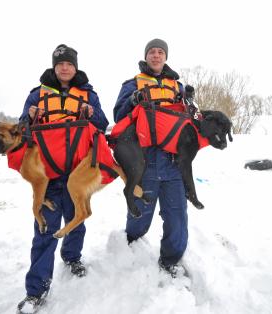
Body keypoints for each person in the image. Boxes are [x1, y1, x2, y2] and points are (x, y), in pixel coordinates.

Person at [17, 44, 109, 314]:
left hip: (77, 173)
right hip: (47, 176)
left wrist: (94, 115)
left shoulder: (89, 95)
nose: (65, 68)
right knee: (44, 230)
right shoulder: (36, 95)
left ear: (75, 67)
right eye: (60, 64)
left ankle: (72, 257)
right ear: (54, 67)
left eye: (69, 64)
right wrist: (28, 117)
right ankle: (36, 291)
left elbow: (102, 124)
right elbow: (22, 129)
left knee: (76, 220)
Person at [113, 39, 190, 278]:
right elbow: (118, 115)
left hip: (174, 161)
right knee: (139, 215)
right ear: (146, 56)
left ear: (165, 56)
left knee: (177, 216)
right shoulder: (132, 83)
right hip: (144, 161)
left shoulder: (178, 86)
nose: (156, 56)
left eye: (160, 52)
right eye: (152, 52)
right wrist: (132, 100)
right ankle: (131, 245)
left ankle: (171, 260)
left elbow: (188, 119)